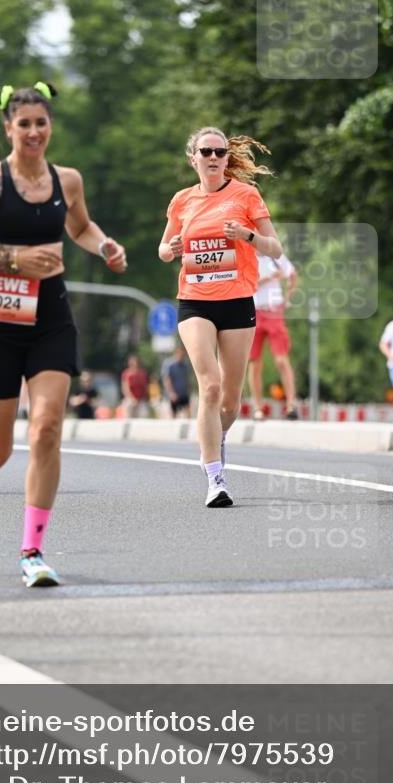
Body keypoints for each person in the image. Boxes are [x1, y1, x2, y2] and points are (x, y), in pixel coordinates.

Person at [0, 82, 126, 587]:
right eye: (24, 124)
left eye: (41, 123)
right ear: (8, 128)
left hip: (51, 320)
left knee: (46, 429)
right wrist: (15, 258)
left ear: (51, 126)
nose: (34, 132)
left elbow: (80, 227)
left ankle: (32, 552)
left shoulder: (68, 180)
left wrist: (104, 245)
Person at [158, 129, 282, 507]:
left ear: (227, 158)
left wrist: (246, 235)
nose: (213, 157)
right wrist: (171, 248)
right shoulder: (182, 200)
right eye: (206, 151)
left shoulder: (246, 195)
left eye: (219, 152)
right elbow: (164, 249)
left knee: (230, 403)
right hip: (195, 302)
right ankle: (215, 478)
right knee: (209, 386)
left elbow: (275, 248)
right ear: (193, 158)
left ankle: (218, 434)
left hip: (237, 302)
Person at [247, 250, 298, 419]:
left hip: (273, 311)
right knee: (255, 362)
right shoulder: (247, 254)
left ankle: (291, 405)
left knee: (281, 359)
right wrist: (269, 277)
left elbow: (292, 274)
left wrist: (288, 298)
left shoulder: (275, 255)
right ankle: (258, 407)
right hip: (253, 311)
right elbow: (247, 282)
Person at [161, 346, 191, 418]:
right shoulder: (170, 366)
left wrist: (189, 390)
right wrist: (171, 393)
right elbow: (167, 380)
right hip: (175, 394)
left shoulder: (185, 366)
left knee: (188, 414)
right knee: (174, 416)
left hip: (184, 394)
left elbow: (187, 379)